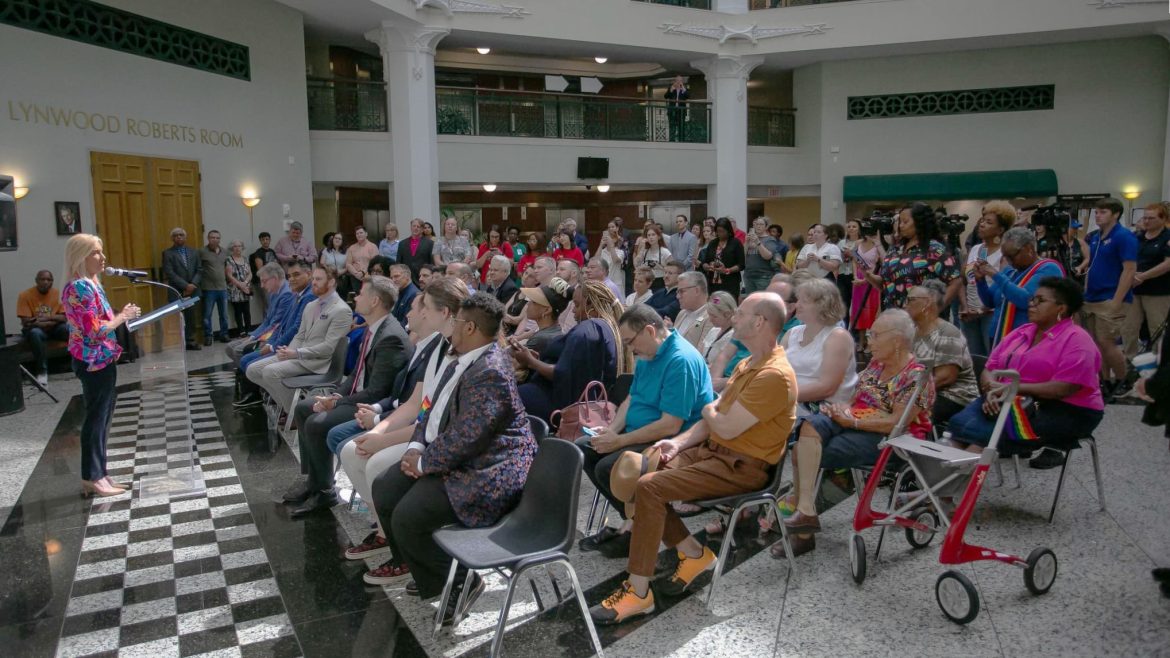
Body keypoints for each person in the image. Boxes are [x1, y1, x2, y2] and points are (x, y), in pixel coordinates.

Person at [590, 292, 796, 625]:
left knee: (649, 487)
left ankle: (638, 592)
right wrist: (678, 443)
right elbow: (709, 420)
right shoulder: (749, 364)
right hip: (713, 451)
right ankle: (694, 553)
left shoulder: (774, 375)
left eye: (740, 313)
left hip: (741, 466)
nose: (734, 317)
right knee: (638, 468)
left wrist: (710, 408)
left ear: (759, 322)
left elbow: (724, 425)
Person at [369, 294, 536, 619]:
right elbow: (431, 408)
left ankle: (462, 581)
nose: (451, 327)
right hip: (459, 456)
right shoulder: (459, 357)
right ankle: (425, 566)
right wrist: (416, 446)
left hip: (490, 470)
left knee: (409, 516)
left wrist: (423, 462)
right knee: (385, 488)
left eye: (456, 321)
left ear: (471, 327)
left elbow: (469, 436)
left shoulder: (490, 370)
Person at [784, 309, 934, 556]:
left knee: (809, 449)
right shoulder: (876, 365)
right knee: (808, 427)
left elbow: (896, 422)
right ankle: (806, 512)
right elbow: (855, 399)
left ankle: (803, 525)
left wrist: (850, 421)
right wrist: (842, 408)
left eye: (875, 335)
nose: (868, 340)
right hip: (853, 420)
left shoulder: (916, 376)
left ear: (896, 340)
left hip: (890, 439)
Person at [577, 304, 715, 558]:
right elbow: (632, 399)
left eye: (631, 342)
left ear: (650, 331)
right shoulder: (648, 355)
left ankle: (634, 528)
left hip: (674, 441)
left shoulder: (680, 360)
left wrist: (619, 441)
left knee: (607, 466)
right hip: (641, 432)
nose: (631, 349)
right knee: (583, 449)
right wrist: (610, 431)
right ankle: (633, 521)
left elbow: (671, 424)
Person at [285, 276, 412, 517]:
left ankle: (325, 491)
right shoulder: (374, 327)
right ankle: (313, 480)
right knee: (305, 408)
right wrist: (334, 395)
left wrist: (336, 403)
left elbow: (377, 391)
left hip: (373, 406)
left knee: (317, 422)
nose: (356, 297)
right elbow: (356, 374)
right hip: (357, 395)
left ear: (374, 301)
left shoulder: (391, 336)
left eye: (361, 294)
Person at [949, 278, 1104, 460]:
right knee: (959, 427)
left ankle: (953, 483)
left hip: (1067, 409)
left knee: (985, 437)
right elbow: (990, 367)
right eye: (1032, 299)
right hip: (1011, 398)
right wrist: (991, 388)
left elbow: (1065, 388)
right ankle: (934, 479)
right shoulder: (1022, 332)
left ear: (1061, 308)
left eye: (1040, 301)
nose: (1031, 304)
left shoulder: (1077, 340)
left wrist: (1010, 388)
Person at [61, 234, 141, 497]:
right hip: (92, 361)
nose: (103, 257)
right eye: (96, 252)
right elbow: (95, 331)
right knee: (96, 418)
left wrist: (123, 318)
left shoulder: (93, 284)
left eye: (101, 251)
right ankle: (92, 477)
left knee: (103, 417)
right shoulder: (78, 288)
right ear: (81, 256)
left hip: (103, 359)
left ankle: (100, 473)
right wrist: (123, 316)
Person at [514, 280, 625, 423]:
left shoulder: (587, 330)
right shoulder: (606, 328)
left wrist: (530, 361)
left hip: (562, 405)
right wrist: (539, 359)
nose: (573, 310)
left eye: (577, 305)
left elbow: (564, 373)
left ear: (591, 305)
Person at [246, 264, 352, 413]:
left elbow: (329, 347)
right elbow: (300, 335)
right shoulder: (310, 305)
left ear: (332, 282)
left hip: (319, 362)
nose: (314, 282)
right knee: (252, 370)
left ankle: (296, 414)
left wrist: (296, 353)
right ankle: (288, 407)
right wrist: (288, 351)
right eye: (313, 278)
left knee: (270, 372)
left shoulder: (341, 310)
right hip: (299, 356)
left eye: (319, 279)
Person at [1075, 197, 1138, 399]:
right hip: (1092, 296)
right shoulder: (1096, 237)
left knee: (1107, 341)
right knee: (1095, 343)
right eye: (1097, 212)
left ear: (1115, 214)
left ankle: (1126, 380)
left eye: (1103, 212)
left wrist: (1117, 301)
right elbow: (1092, 264)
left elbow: (1129, 270)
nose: (1098, 215)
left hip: (1111, 297)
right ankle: (1105, 381)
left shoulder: (1124, 236)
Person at [975, 227, 1064, 350]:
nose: (1009, 261)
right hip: (999, 335)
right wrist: (980, 281)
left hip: (1026, 339)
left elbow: (1027, 299)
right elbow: (990, 302)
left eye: (1011, 256)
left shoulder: (1048, 268)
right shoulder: (1010, 271)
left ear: (1029, 249)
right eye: (1005, 256)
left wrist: (996, 275)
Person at [780, 278, 858, 417]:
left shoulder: (837, 337)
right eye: (798, 300)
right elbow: (775, 368)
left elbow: (827, 388)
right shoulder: (792, 333)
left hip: (821, 408)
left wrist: (780, 396)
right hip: (789, 401)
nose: (798, 304)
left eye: (804, 301)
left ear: (823, 305)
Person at [906, 281, 979, 425]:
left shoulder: (947, 332)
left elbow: (946, 378)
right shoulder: (912, 331)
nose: (905, 305)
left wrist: (905, 391)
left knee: (905, 411)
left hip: (954, 396)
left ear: (928, 303)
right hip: (924, 390)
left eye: (910, 300)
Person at [866, 203, 961, 310]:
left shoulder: (934, 249)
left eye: (905, 222)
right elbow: (887, 284)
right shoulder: (895, 249)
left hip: (921, 318)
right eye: (900, 222)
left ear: (919, 223)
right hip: (894, 316)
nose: (901, 225)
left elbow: (955, 280)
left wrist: (936, 308)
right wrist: (869, 276)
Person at [960, 202, 1014, 357]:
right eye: (982, 220)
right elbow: (962, 279)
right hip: (969, 314)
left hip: (991, 314)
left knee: (991, 357)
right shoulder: (976, 249)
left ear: (1001, 229)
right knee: (974, 358)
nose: (982, 224)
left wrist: (982, 310)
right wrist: (964, 306)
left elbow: (1004, 285)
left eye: (989, 222)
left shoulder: (1004, 252)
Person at [1123, 202, 1170, 359]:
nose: (1147, 221)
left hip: (1157, 291)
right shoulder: (1138, 237)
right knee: (1129, 327)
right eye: (1145, 218)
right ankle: (1129, 361)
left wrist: (1142, 276)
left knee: (1157, 328)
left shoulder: (1167, 237)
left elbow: (1167, 264)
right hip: (1134, 289)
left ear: (1163, 219)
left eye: (1151, 218)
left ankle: (1159, 362)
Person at [225, 263, 290, 368]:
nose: (262, 286)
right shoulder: (273, 292)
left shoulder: (286, 294)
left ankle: (248, 378)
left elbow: (275, 324)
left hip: (273, 336)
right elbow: (267, 320)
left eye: (264, 281)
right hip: (266, 332)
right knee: (229, 347)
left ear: (274, 278)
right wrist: (252, 336)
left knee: (238, 350)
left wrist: (255, 338)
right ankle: (244, 373)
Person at [18, 270, 68, 385]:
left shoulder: (59, 295)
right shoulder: (25, 295)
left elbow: (64, 318)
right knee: (35, 333)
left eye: (49, 280)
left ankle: (83, 362)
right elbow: (26, 321)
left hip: (54, 327)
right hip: (36, 329)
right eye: (42, 279)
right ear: (36, 281)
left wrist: (43, 319)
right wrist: (51, 319)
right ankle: (42, 371)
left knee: (69, 329)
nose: (46, 282)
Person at [161, 227, 202, 350]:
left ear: (185, 237)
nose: (179, 237)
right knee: (178, 317)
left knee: (191, 316)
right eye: (176, 235)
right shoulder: (168, 253)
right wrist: (185, 285)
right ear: (172, 238)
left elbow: (200, 270)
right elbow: (169, 272)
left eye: (181, 235)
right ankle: (179, 342)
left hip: (193, 290)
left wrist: (193, 284)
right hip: (176, 290)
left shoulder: (194, 252)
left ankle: (191, 340)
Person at [847, 220, 883, 350]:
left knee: (871, 310)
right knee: (859, 310)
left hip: (872, 279)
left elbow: (879, 264)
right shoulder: (857, 243)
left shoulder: (877, 245)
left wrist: (867, 279)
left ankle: (872, 342)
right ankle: (861, 342)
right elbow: (854, 260)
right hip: (858, 279)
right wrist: (855, 276)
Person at [198, 229, 231, 345]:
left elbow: (228, 269)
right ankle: (208, 336)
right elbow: (198, 269)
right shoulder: (202, 252)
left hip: (222, 288)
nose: (215, 240)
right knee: (207, 315)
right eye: (212, 237)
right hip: (208, 288)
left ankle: (224, 334)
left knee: (224, 315)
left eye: (217, 238)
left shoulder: (225, 252)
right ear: (208, 238)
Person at [699, 217, 745, 297]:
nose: (720, 234)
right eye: (718, 231)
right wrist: (706, 266)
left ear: (728, 231)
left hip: (730, 283)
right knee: (716, 304)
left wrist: (727, 270)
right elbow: (705, 261)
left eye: (722, 231)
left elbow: (741, 265)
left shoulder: (736, 243)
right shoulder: (713, 243)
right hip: (713, 283)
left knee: (728, 305)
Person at [744, 216, 784, 294]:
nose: (758, 226)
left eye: (761, 224)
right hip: (749, 275)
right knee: (751, 301)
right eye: (756, 224)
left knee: (762, 301)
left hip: (763, 277)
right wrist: (746, 242)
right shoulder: (750, 239)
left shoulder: (770, 239)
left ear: (766, 227)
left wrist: (758, 242)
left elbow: (767, 256)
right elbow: (743, 256)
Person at [673, 272, 713, 348]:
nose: (678, 296)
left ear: (697, 291)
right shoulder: (682, 313)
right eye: (677, 292)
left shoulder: (711, 316)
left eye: (681, 291)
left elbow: (702, 353)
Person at [225, 240, 253, 336]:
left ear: (242, 247)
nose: (237, 248)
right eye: (235, 246)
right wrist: (239, 284)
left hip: (245, 288)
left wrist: (245, 283)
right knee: (238, 310)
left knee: (247, 310)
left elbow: (250, 273)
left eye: (239, 246)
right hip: (235, 288)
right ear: (232, 248)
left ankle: (249, 329)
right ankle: (241, 330)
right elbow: (229, 275)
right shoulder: (229, 259)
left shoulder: (245, 259)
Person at [633, 225, 672, 290]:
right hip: (646, 282)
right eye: (649, 235)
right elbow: (636, 264)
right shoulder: (645, 251)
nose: (651, 237)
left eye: (653, 235)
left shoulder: (665, 252)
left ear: (659, 237)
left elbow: (672, 271)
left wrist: (660, 267)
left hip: (660, 282)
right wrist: (642, 247)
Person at [345, 226, 379, 296]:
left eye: (361, 233)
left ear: (366, 234)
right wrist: (356, 273)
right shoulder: (351, 248)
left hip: (369, 277)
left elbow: (375, 263)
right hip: (355, 278)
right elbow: (348, 264)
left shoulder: (373, 247)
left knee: (369, 296)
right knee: (358, 297)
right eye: (357, 233)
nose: (359, 235)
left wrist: (363, 272)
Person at [250, 231, 278, 315]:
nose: (265, 241)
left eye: (267, 239)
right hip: (263, 281)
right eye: (263, 239)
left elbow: (276, 265)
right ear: (260, 241)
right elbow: (260, 269)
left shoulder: (272, 251)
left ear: (270, 240)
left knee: (274, 303)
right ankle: (267, 324)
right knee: (267, 303)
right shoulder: (258, 253)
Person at [599, 221, 628, 296]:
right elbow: (595, 259)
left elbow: (616, 260)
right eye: (609, 227)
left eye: (612, 227)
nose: (609, 239)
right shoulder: (602, 251)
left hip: (616, 283)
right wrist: (601, 245)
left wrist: (611, 245)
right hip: (604, 283)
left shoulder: (620, 251)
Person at [389, 263, 419, 327]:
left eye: (396, 276)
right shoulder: (399, 291)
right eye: (391, 277)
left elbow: (406, 324)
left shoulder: (414, 295)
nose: (393, 280)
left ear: (407, 276)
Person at [665, 75, 689, 143]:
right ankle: (671, 141)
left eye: (680, 80)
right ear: (675, 81)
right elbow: (665, 96)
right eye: (677, 80)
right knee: (672, 127)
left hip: (681, 111)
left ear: (682, 82)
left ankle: (681, 141)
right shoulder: (671, 88)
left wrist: (683, 88)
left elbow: (688, 96)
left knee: (681, 127)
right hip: (672, 111)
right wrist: (671, 90)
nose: (678, 82)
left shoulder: (684, 89)